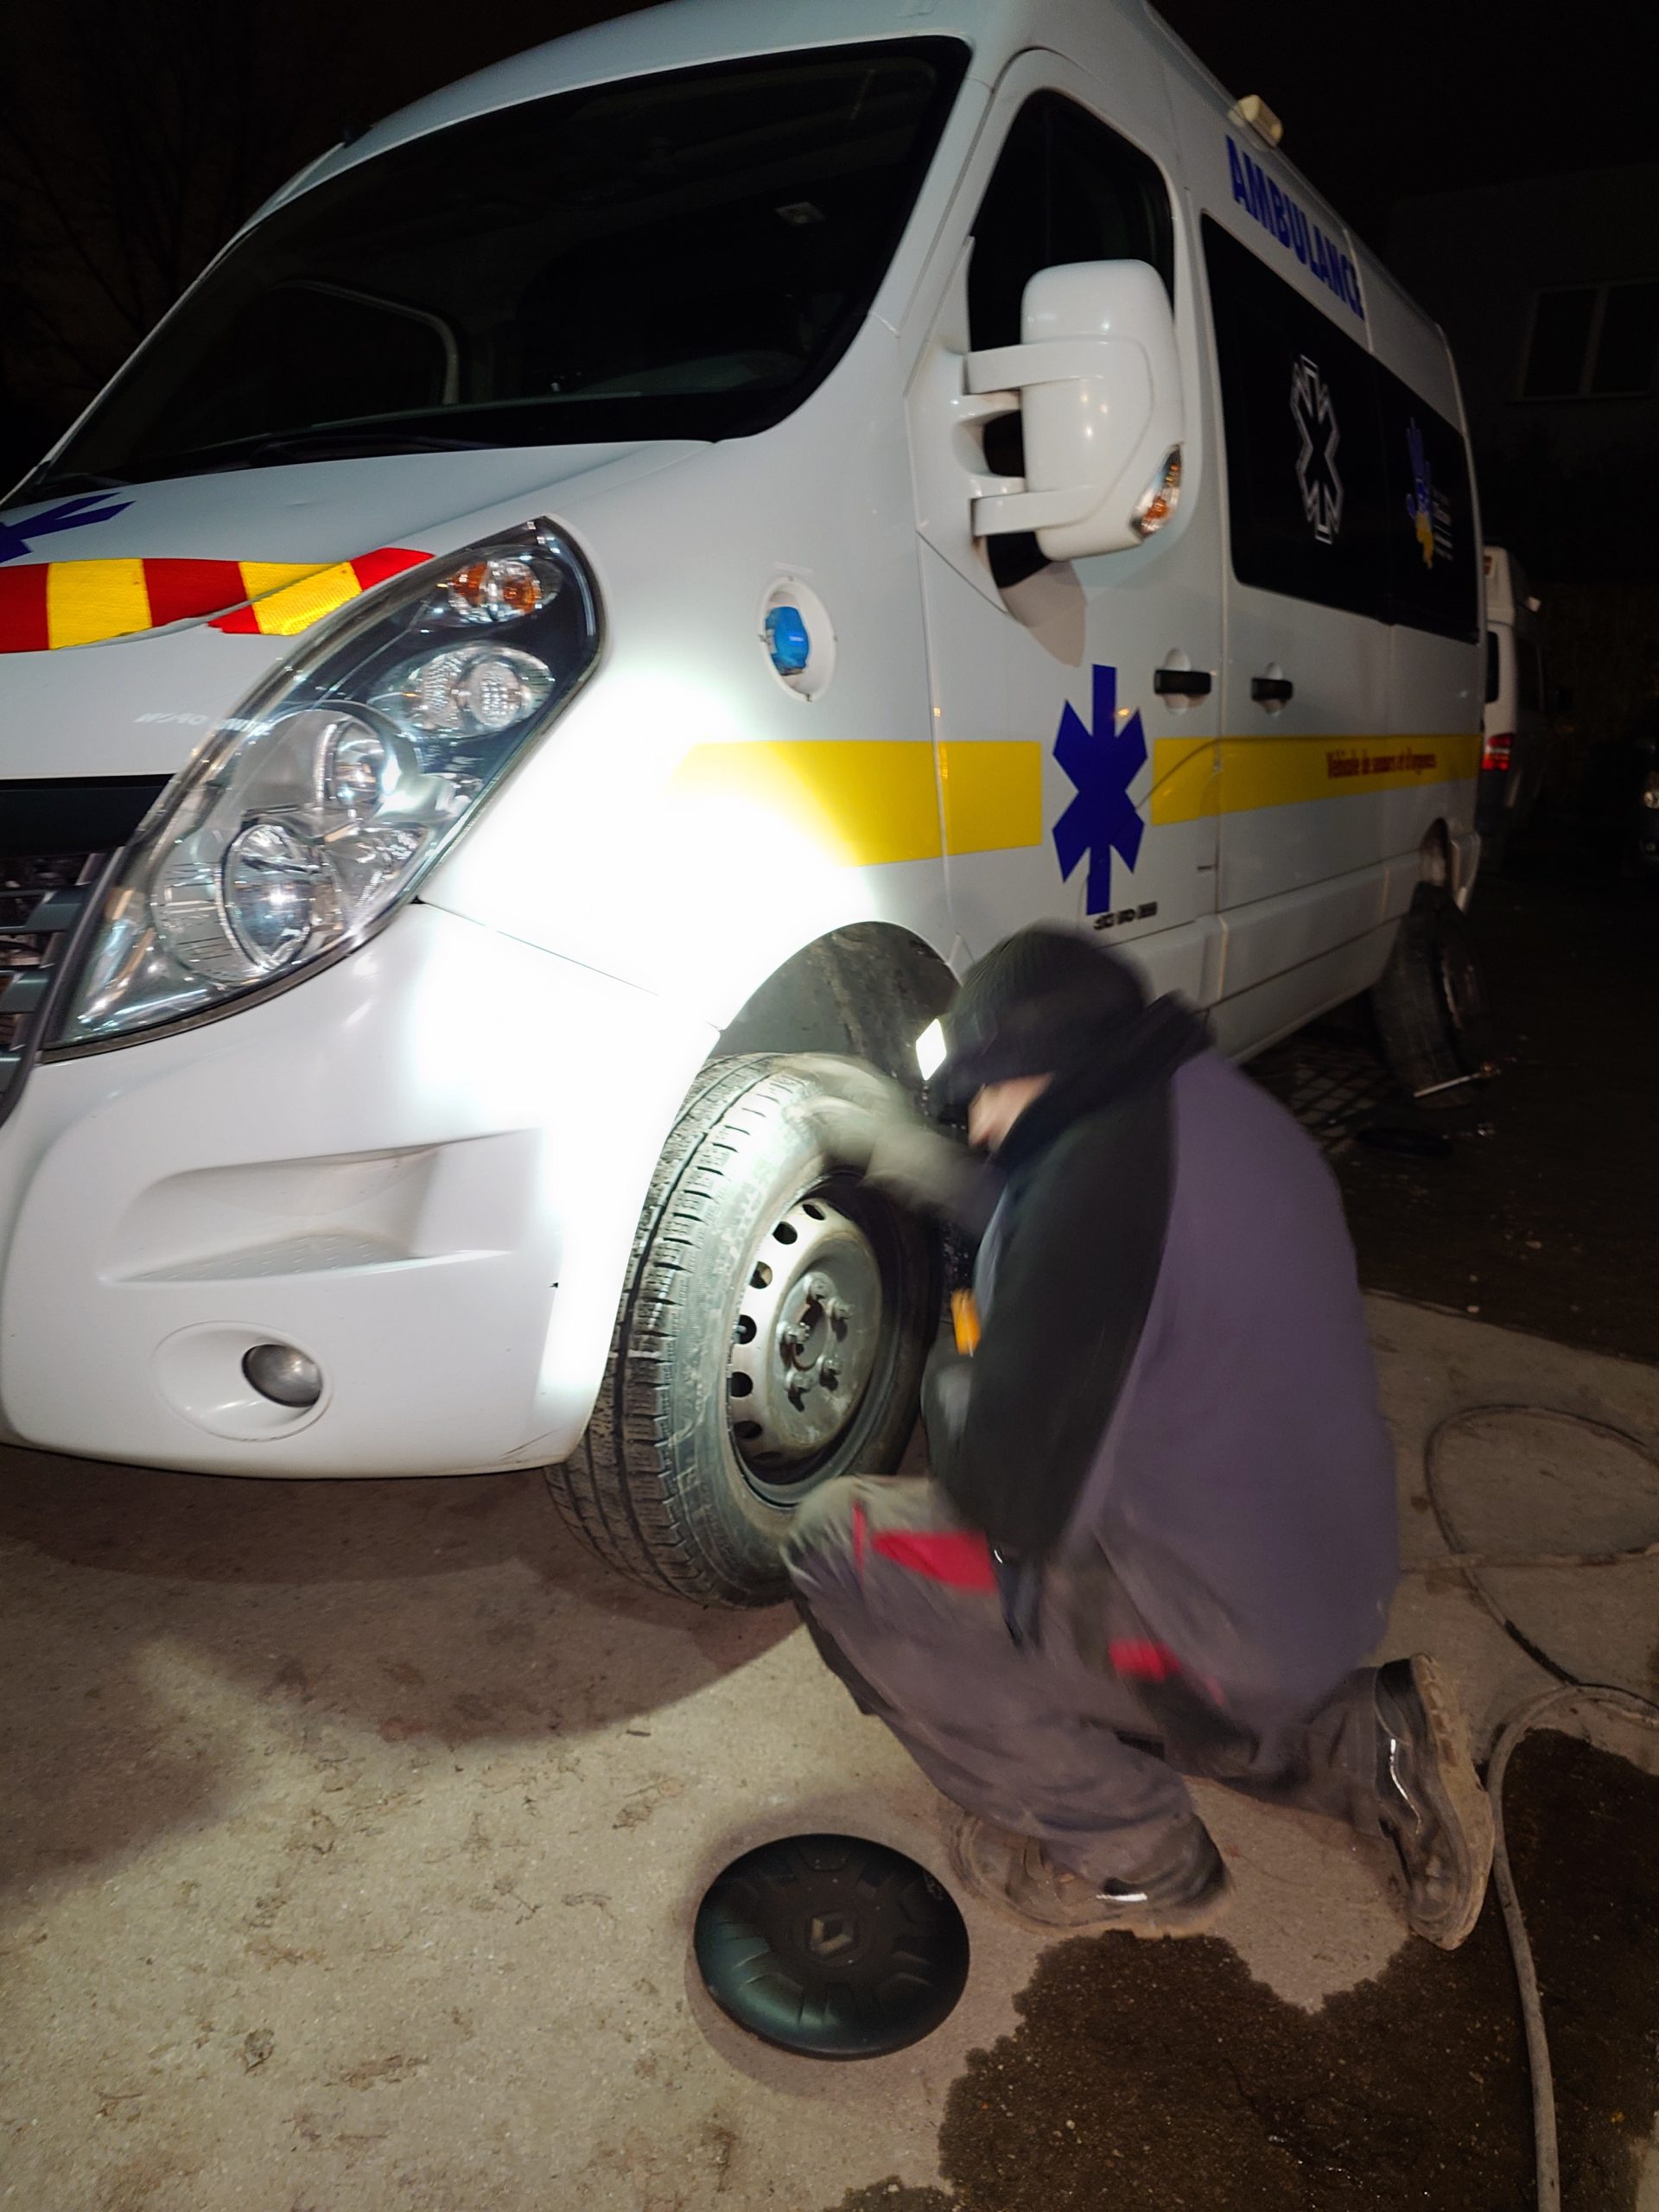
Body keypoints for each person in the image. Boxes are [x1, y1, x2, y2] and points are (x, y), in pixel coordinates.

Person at [785, 925, 1493, 1945]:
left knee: (840, 1545)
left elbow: (1009, 1501)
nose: (976, 1126)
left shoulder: (1095, 1202)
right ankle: (1373, 1744)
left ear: (1032, 1069)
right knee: (1158, 1618)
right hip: (1324, 1586)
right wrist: (921, 1166)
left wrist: (957, 1373)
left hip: (1206, 1631)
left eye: (982, 1096)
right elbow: (1082, 1228)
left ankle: (1132, 1852)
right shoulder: (1208, 1107)